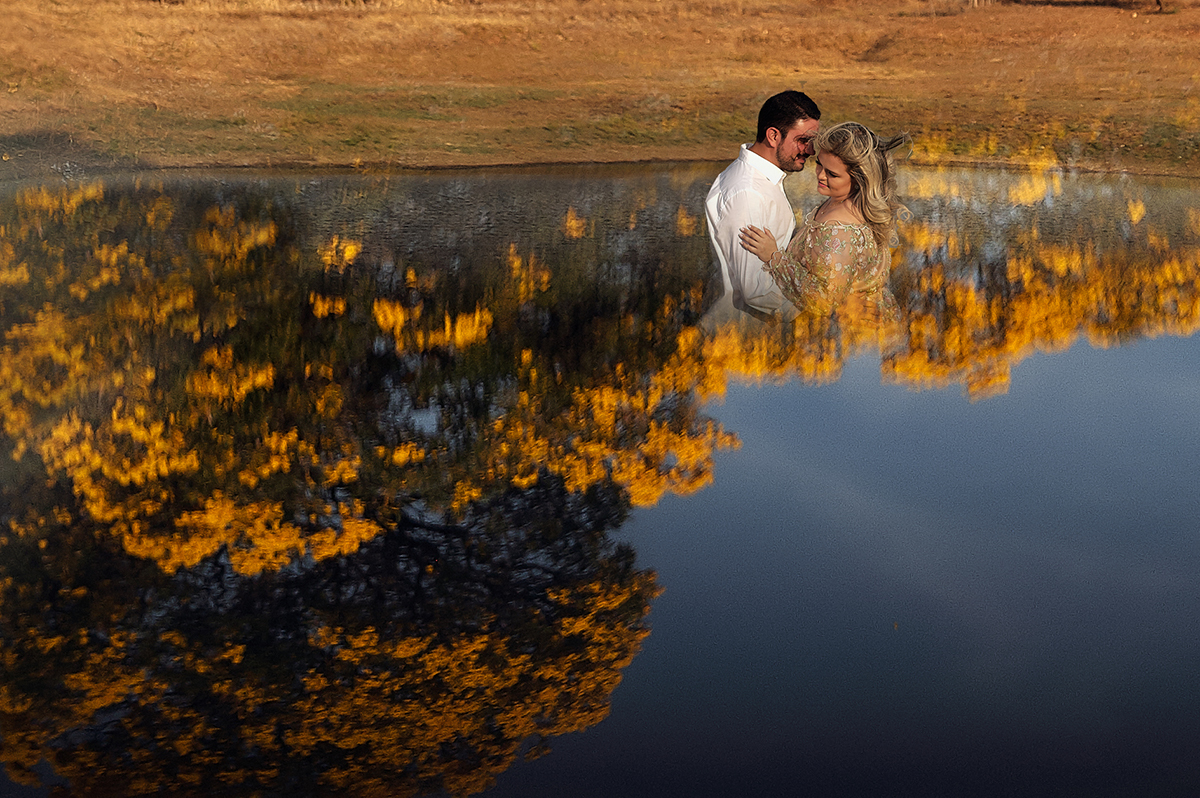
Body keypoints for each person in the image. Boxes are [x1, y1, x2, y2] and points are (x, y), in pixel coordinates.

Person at [738, 121, 908, 328]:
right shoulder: (845, 201)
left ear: (859, 179)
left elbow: (822, 302)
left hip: (854, 334)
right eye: (819, 164)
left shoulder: (838, 229)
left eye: (832, 174)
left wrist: (773, 256)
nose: (820, 175)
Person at [705, 91, 821, 320]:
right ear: (773, 136)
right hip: (742, 335)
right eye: (803, 140)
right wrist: (817, 304)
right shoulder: (748, 192)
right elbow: (755, 292)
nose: (810, 151)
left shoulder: (759, 181)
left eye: (812, 142)